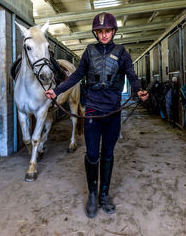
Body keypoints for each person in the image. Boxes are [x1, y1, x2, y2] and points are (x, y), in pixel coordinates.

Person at [45, 12, 148, 218]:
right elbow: (76, 75)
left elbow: (131, 75)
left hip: (113, 111)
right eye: (100, 31)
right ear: (95, 33)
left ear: (113, 31)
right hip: (92, 110)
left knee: (107, 154)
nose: (103, 35)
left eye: (107, 31)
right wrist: (57, 91)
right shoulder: (88, 52)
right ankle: (92, 195)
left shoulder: (122, 52)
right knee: (92, 154)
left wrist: (138, 90)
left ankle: (104, 195)